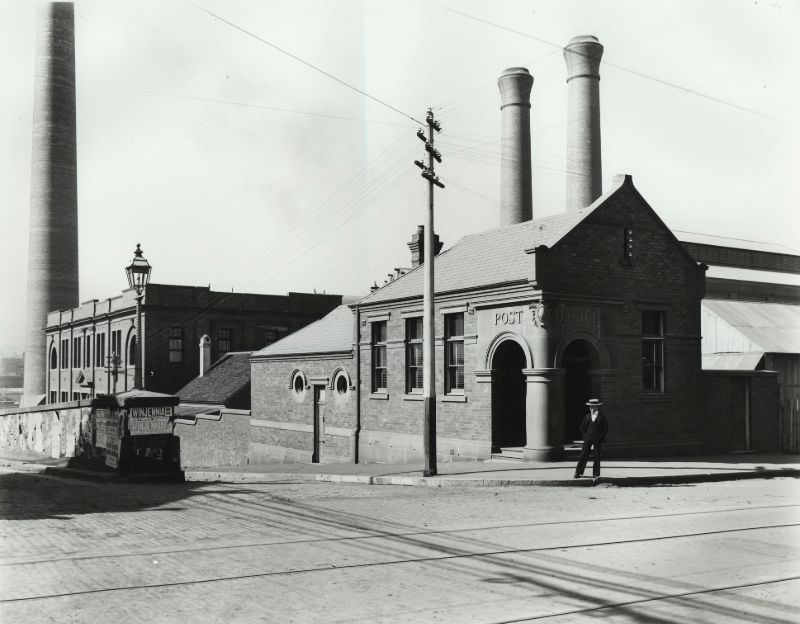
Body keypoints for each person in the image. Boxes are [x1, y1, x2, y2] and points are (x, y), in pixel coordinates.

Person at [574, 398, 608, 479]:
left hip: (597, 439)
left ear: (597, 407)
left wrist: (599, 437)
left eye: (594, 407)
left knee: (597, 456)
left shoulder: (602, 417)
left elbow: (605, 429)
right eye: (591, 407)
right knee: (583, 455)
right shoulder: (587, 416)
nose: (592, 408)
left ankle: (596, 474)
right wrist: (585, 436)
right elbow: (582, 428)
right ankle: (578, 472)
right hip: (588, 438)